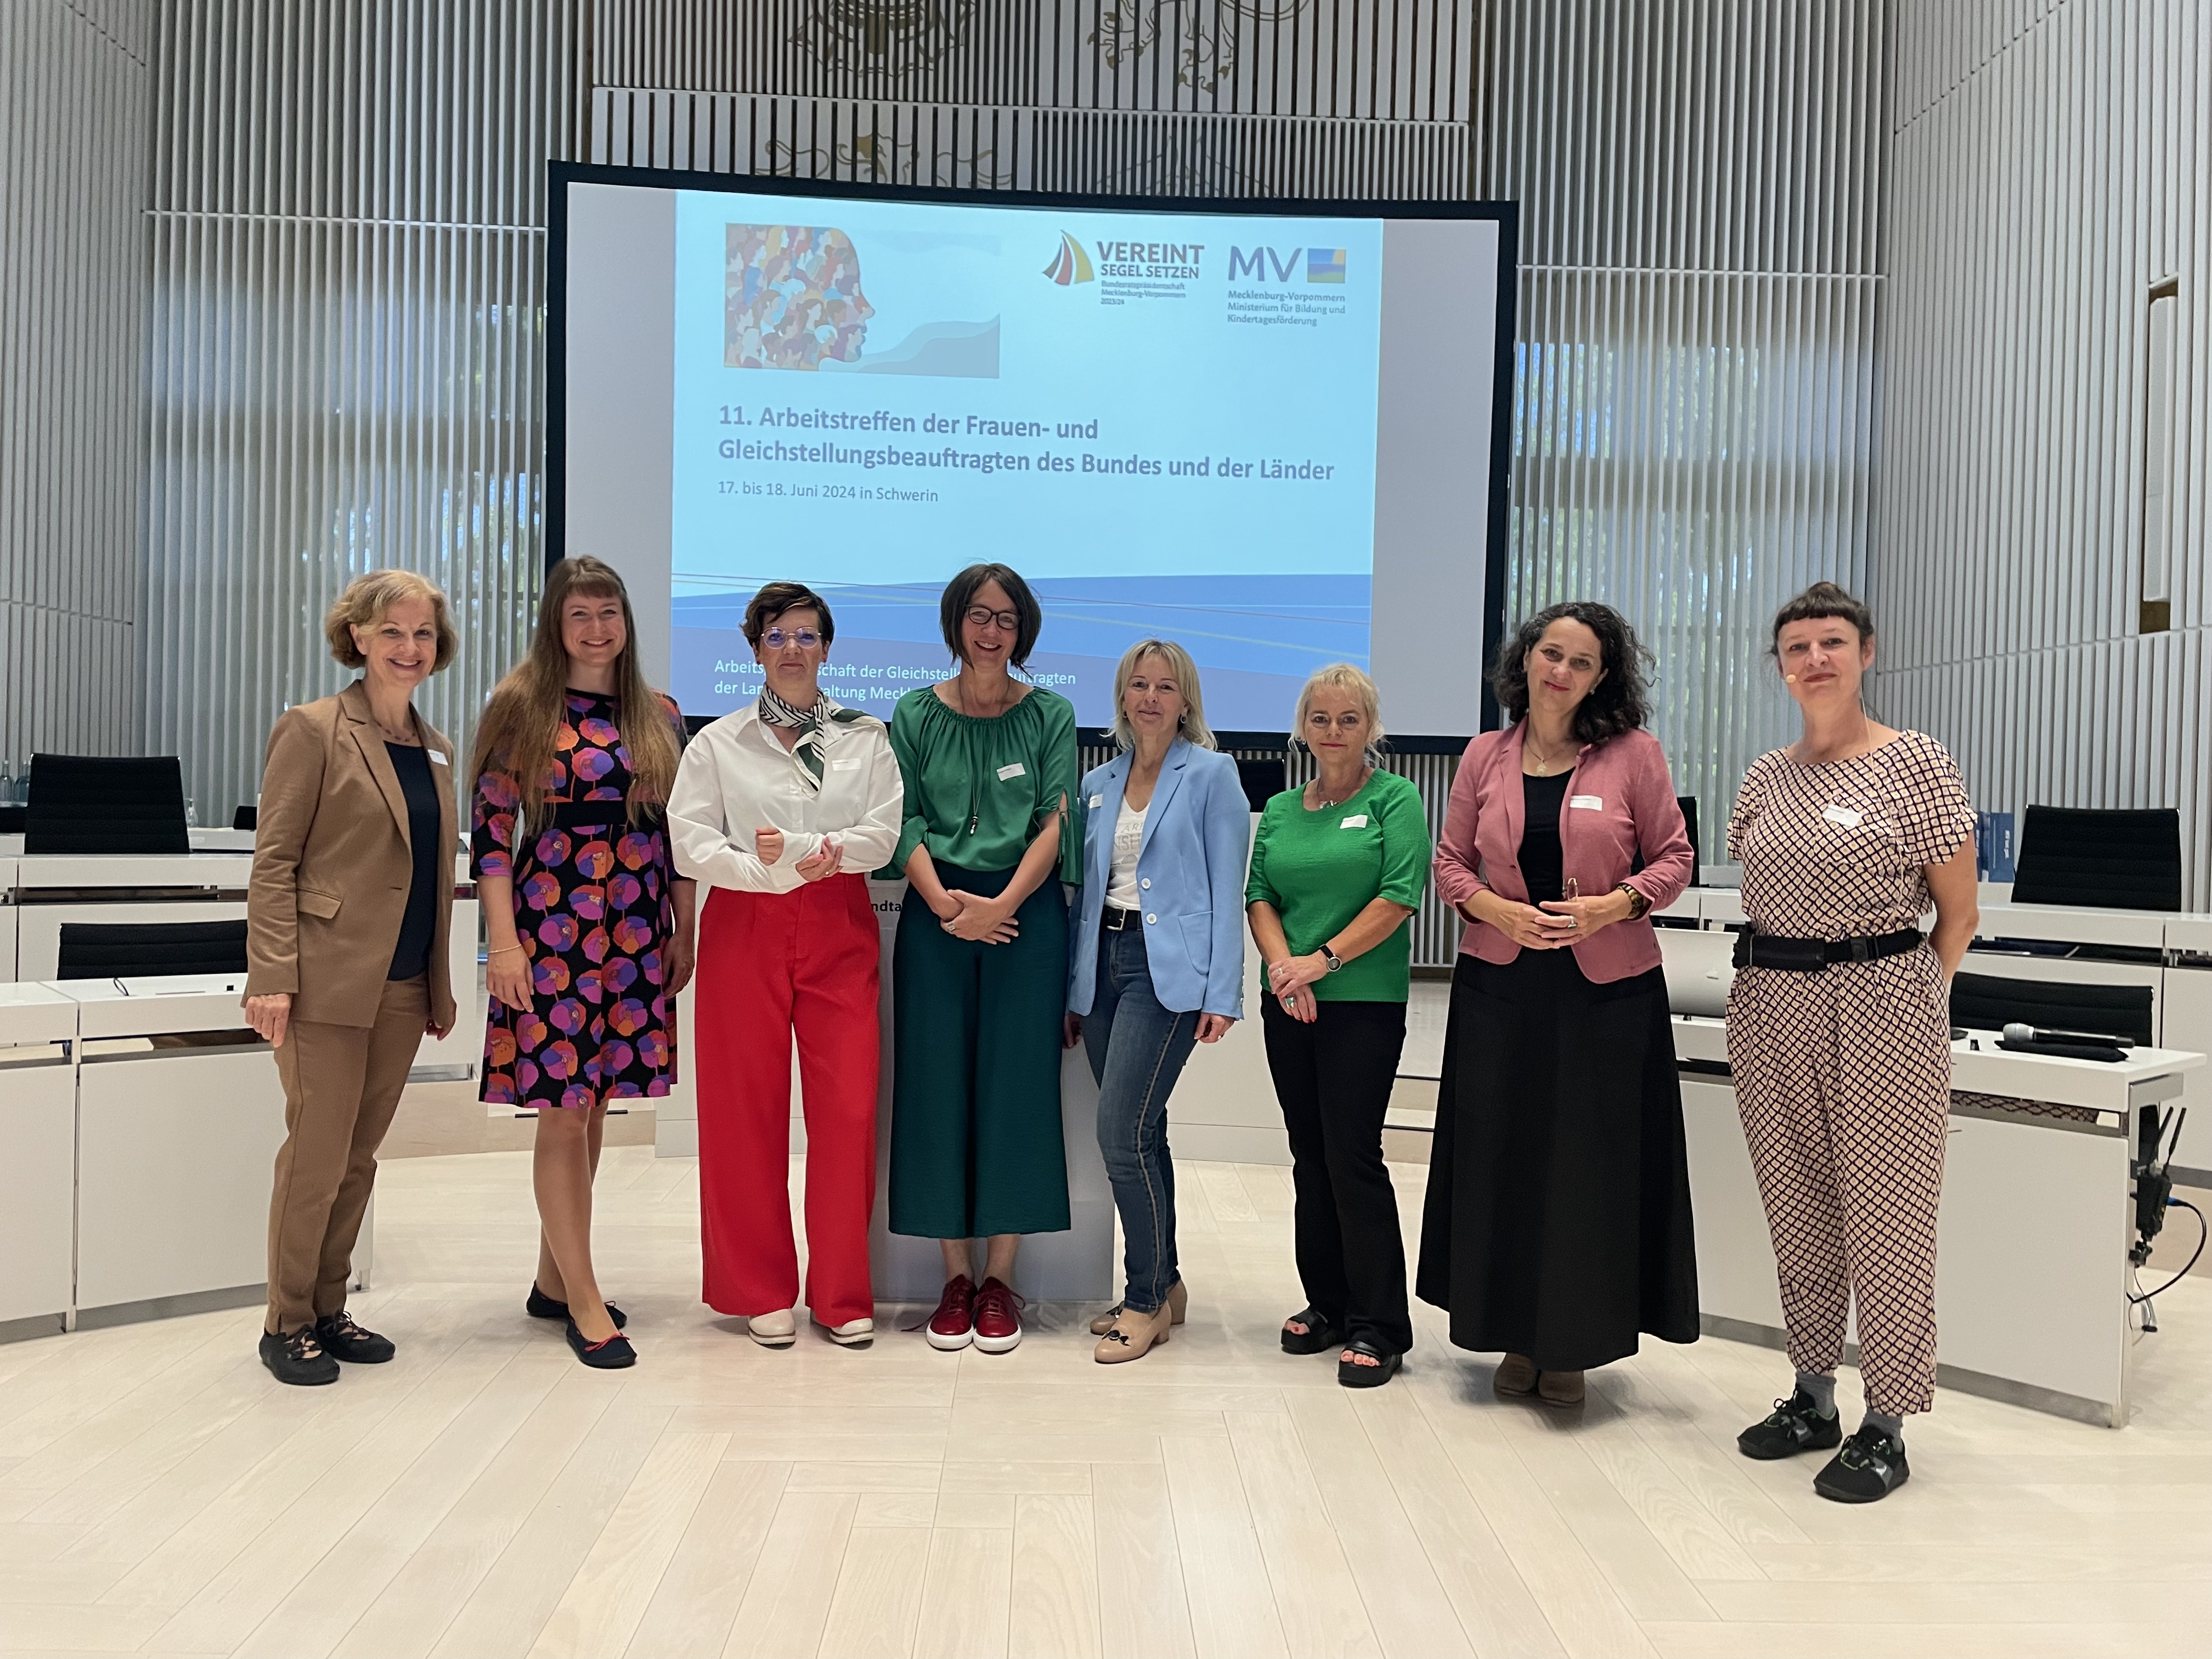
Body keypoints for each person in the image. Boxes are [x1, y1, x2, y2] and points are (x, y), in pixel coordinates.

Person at [1726, 581, 1976, 1503]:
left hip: (1880, 998)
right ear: (1782, 667)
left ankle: (1888, 1424)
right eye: (1797, 647)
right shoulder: (1765, 776)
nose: (1815, 659)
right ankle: (1812, 1396)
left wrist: (1904, 1003)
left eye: (1833, 642)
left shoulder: (1913, 762)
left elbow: (1959, 913)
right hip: (1770, 1001)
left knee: (1890, 1217)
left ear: (1867, 653)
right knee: (1798, 1211)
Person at [1415, 603, 1699, 1409]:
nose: (1561, 672)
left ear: (1602, 676)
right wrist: (1495, 911)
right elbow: (1450, 863)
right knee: (1503, 1158)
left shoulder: (1633, 755)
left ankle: (1570, 1341)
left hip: (1605, 993)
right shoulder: (1483, 755)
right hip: (1499, 985)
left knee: (1585, 1168)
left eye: (1581, 661)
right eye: (1551, 654)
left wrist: (1617, 905)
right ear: (1527, 660)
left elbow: (1676, 857)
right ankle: (1512, 1332)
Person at [471, 555, 695, 1371]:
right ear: (555, 625)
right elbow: (492, 839)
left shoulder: (660, 712)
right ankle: (588, 1302)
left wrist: (686, 925)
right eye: (581, 616)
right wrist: (504, 944)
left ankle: (551, 1279)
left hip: (638, 924)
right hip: (552, 925)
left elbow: (678, 832)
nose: (597, 630)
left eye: (610, 614)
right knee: (565, 1106)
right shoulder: (519, 706)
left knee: (596, 1105)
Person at [669, 582, 902, 1348]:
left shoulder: (864, 736)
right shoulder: (718, 742)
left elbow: (882, 833)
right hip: (745, 921)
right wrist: (763, 870)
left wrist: (806, 854)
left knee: (847, 1111)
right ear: (756, 650)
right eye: (777, 637)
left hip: (837, 920)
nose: (793, 650)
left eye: (806, 636)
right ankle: (758, 1286)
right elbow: (689, 839)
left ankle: (840, 1292)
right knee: (744, 1110)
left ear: (827, 648)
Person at [244, 569, 460, 1386]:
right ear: (359, 637)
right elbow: (274, 865)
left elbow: (431, 876)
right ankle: (286, 1321)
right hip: (326, 981)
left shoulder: (433, 747)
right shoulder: (313, 728)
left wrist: (438, 983)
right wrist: (271, 975)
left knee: (360, 1156)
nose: (410, 648)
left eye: (425, 635)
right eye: (395, 632)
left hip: (403, 984)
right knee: (316, 1155)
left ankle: (329, 1308)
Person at [885, 563, 1080, 1354]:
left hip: (1023, 919)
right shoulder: (912, 713)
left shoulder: (1051, 714)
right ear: (955, 622)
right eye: (977, 615)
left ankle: (1000, 1281)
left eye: (1005, 617)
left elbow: (1056, 819)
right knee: (934, 1089)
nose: (990, 630)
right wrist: (944, 908)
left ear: (1022, 628)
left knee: (1016, 1090)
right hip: (937, 916)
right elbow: (903, 819)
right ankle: (954, 1279)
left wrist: (1000, 908)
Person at [1247, 664, 1431, 1387]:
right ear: (1303, 728)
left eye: (1348, 720)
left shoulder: (1396, 798)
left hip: (1361, 1001)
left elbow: (1400, 895)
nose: (1332, 733)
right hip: (1289, 997)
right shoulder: (1287, 809)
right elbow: (1259, 893)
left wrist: (1319, 963)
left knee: (1353, 1156)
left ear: (1370, 728)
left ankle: (1379, 1324)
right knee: (1308, 1155)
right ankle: (1327, 1303)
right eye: (1320, 719)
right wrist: (1284, 969)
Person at [1065, 640, 1248, 1363]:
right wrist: (1077, 989)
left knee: (1121, 1135)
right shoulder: (1099, 781)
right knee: (1147, 1133)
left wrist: (1223, 992)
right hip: (1104, 966)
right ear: (1122, 696)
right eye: (1138, 685)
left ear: (1185, 699)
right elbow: (1086, 897)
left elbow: (1225, 891)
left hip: (1164, 971)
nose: (1150, 697)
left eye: (1164, 686)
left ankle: (1143, 1303)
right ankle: (1166, 1283)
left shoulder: (1211, 775)